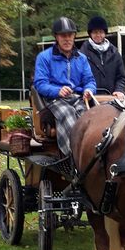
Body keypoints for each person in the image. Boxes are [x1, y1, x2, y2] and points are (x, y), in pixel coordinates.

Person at [33, 16, 96, 156]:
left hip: (78, 98)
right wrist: (57, 90)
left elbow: (90, 81)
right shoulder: (44, 57)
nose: (67, 39)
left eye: (70, 35)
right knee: (68, 115)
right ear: (56, 37)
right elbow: (39, 84)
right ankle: (72, 156)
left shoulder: (82, 58)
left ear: (74, 36)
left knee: (87, 118)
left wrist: (89, 90)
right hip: (53, 100)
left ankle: (90, 155)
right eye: (63, 36)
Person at [80, 15, 125, 99]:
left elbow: (121, 77)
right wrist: (86, 91)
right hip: (89, 97)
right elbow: (79, 77)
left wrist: (119, 90)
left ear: (105, 33)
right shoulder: (82, 53)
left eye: (101, 32)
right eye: (95, 32)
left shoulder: (115, 53)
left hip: (111, 97)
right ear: (90, 34)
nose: (98, 35)